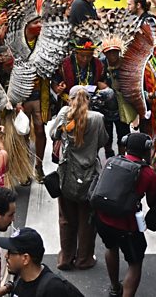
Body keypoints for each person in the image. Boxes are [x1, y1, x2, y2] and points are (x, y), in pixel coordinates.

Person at [95, 133, 156, 297]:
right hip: (127, 225)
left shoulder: (110, 161)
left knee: (111, 248)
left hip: (103, 219)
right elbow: (152, 202)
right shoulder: (148, 173)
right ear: (146, 149)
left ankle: (115, 287)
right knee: (135, 263)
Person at [51, 86, 108, 270]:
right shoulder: (97, 118)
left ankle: (65, 258)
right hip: (89, 175)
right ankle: (84, 259)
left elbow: (53, 134)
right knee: (87, 219)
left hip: (67, 174)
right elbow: (103, 141)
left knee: (66, 218)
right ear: (89, 101)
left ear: (71, 99)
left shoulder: (64, 114)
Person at [0, 227, 85, 296]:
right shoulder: (20, 278)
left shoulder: (53, 289)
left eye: (10, 252)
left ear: (25, 258)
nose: (6, 256)